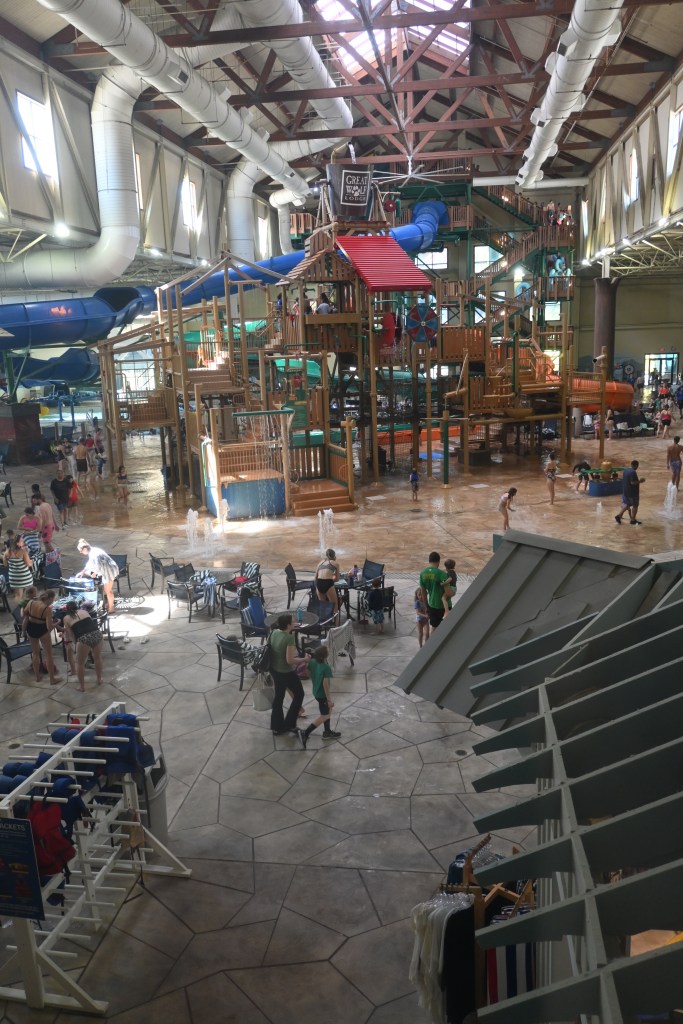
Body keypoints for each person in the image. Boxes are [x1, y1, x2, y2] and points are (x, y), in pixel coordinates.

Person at [269, 613, 310, 735]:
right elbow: (290, 660)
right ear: (288, 625)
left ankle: (277, 727)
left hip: (274, 669)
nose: (295, 622)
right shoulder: (289, 638)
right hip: (285, 672)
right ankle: (290, 724)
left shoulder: (274, 632)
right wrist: (305, 659)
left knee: (279, 696)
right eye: (293, 621)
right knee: (299, 694)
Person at [297, 645, 341, 748]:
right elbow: (325, 685)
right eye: (327, 652)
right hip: (322, 695)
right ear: (323, 657)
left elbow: (308, 673)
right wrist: (329, 700)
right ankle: (305, 733)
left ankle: (327, 732)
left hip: (316, 691)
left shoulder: (312, 662)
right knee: (324, 715)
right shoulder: (326, 668)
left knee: (327, 711)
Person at [62, 600, 104, 691]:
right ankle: (99, 679)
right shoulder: (84, 611)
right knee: (97, 658)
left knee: (80, 663)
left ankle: (82, 687)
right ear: (77, 607)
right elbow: (91, 623)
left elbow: (70, 634)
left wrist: (75, 643)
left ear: (67, 610)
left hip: (83, 638)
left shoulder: (66, 618)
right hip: (97, 634)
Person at [22, 590, 61, 684]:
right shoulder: (47, 609)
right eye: (53, 599)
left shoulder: (31, 602)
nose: (53, 601)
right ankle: (52, 679)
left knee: (35, 653)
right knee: (49, 655)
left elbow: (25, 617)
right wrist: (58, 623)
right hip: (42, 630)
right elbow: (49, 627)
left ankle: (37, 677)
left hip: (31, 628)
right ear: (50, 598)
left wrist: (23, 631)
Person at [75, 539, 120, 614]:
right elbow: (90, 563)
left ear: (85, 548)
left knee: (108, 590)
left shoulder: (94, 553)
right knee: (107, 590)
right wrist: (83, 571)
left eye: (81, 551)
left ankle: (111, 608)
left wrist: (94, 573)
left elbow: (98, 566)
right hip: (107, 569)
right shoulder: (93, 551)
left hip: (109, 570)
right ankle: (109, 604)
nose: (81, 552)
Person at [419, 552, 453, 630]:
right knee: (448, 629)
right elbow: (448, 593)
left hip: (432, 605)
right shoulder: (442, 574)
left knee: (434, 628)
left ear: (429, 561)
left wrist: (427, 605)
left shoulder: (422, 574)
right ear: (438, 561)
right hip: (444, 607)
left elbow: (423, 592)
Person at [615, 460, 645, 525]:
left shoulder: (626, 470)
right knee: (635, 506)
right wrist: (640, 481)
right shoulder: (633, 472)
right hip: (633, 493)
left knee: (627, 505)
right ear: (636, 465)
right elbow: (632, 482)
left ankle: (619, 516)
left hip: (626, 491)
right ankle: (633, 520)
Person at [4, 538, 34, 602]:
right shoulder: (23, 552)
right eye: (21, 541)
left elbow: (5, 565)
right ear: (17, 543)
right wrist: (32, 561)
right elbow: (29, 564)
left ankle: (19, 610)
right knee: (28, 594)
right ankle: (26, 609)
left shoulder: (6, 553)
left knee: (18, 595)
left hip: (13, 577)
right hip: (24, 577)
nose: (23, 542)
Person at [315, 548, 340, 621]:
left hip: (319, 583)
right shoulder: (336, 564)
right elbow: (337, 579)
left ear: (326, 555)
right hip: (328, 583)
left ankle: (323, 624)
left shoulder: (320, 563)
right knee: (335, 606)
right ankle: (336, 626)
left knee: (323, 606)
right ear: (334, 555)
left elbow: (315, 577)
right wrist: (332, 576)